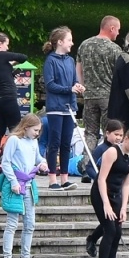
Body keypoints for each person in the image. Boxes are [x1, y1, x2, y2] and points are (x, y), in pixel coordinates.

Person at [92, 124, 129, 258]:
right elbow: (101, 179)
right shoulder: (112, 152)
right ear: (126, 138)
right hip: (100, 192)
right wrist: (106, 205)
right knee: (110, 229)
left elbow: (126, 184)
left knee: (118, 230)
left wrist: (123, 208)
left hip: (116, 194)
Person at [0, 114, 46, 258]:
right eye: (35, 130)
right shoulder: (14, 140)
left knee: (30, 224)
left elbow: (38, 158)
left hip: (29, 185)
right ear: (25, 127)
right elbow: (5, 162)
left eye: (38, 131)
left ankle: (25, 257)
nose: (37, 133)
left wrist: (43, 164)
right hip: (17, 185)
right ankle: (7, 257)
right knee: (12, 223)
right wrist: (13, 181)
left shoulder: (34, 141)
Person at [41, 26, 83, 189]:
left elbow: (73, 80)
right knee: (55, 142)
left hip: (69, 107)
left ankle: (65, 178)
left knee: (66, 143)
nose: (72, 43)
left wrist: (78, 87)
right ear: (60, 42)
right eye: (69, 40)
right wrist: (69, 89)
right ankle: (53, 179)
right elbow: (50, 85)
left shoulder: (70, 60)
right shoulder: (50, 61)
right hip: (55, 107)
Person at [0, 32, 28, 170]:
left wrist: (10, 67)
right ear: (0, 44)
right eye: (7, 44)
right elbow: (23, 57)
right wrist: (12, 61)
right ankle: (15, 163)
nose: (8, 48)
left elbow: (2, 75)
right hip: (8, 99)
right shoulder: (2, 56)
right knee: (17, 131)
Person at [76, 16, 122, 149]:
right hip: (108, 97)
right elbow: (119, 75)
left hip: (89, 96)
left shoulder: (84, 45)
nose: (118, 33)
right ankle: (107, 163)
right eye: (118, 30)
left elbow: (79, 69)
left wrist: (84, 87)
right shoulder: (115, 49)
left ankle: (87, 164)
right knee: (110, 133)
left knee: (90, 133)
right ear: (111, 28)